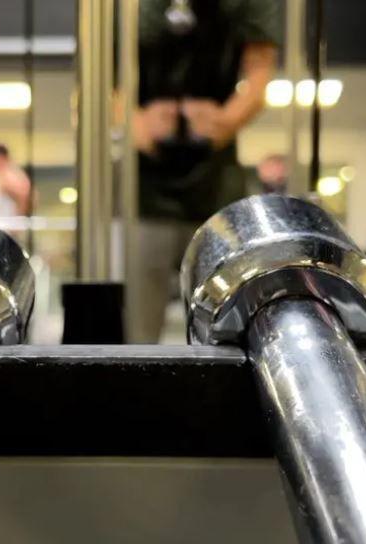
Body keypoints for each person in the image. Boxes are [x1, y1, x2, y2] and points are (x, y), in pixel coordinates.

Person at [128, 0, 282, 342]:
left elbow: (260, 71)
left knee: (221, 328)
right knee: (136, 335)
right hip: (141, 193)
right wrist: (137, 124)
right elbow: (103, 78)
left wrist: (223, 121)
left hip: (216, 189)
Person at [0, 143, 32, 217]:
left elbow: (25, 197)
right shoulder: (6, 174)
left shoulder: (8, 176)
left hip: (8, 227)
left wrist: (17, 223)